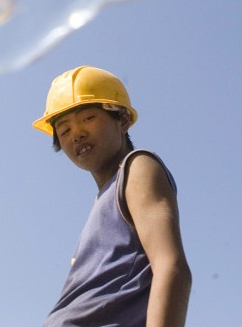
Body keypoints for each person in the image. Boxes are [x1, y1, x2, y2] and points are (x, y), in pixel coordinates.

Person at [33, 65, 191, 327]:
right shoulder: (102, 201)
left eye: (88, 118)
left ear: (123, 119)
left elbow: (170, 267)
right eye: (64, 130)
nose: (77, 134)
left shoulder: (137, 167)